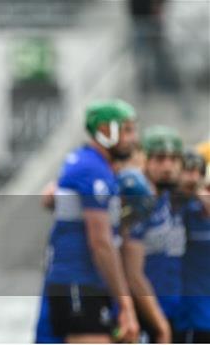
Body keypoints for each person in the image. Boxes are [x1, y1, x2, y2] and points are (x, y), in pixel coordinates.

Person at [45, 100, 139, 343]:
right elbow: (100, 243)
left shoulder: (90, 163)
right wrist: (125, 303)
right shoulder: (93, 170)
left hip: (85, 280)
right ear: (106, 131)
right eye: (127, 130)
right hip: (79, 280)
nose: (133, 138)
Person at [121, 126, 185, 343]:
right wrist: (160, 325)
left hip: (169, 308)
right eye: (159, 159)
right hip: (142, 315)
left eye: (173, 159)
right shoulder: (139, 201)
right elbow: (133, 274)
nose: (167, 166)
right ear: (144, 160)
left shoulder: (167, 195)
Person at [176, 147, 210, 342]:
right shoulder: (177, 209)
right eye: (188, 170)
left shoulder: (200, 211)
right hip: (187, 316)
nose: (193, 177)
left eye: (199, 173)